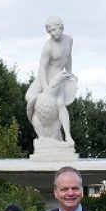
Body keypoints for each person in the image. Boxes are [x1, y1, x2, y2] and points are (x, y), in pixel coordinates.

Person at [25, 16, 77, 144]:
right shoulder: (48, 46)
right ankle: (44, 132)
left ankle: (67, 136)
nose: (53, 34)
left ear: (61, 26)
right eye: (50, 32)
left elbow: (68, 57)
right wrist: (45, 86)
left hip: (58, 78)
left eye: (54, 30)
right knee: (29, 97)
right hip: (46, 77)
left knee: (60, 104)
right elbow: (42, 67)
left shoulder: (69, 40)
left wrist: (70, 74)